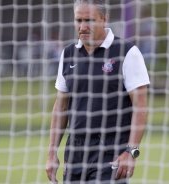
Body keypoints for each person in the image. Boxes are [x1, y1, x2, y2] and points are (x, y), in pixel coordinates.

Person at [46, 0, 150, 183]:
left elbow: (140, 106)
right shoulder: (68, 53)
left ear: (104, 19)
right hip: (76, 152)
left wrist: (131, 152)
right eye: (78, 20)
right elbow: (60, 107)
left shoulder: (127, 53)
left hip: (111, 151)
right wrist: (52, 152)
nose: (83, 26)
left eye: (89, 20)